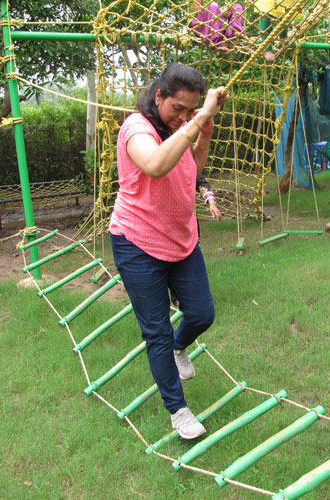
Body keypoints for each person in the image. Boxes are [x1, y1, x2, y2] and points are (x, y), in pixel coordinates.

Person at [109, 63, 228, 440]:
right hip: (137, 244)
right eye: (178, 108)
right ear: (158, 95)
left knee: (202, 313)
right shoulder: (136, 128)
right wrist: (200, 118)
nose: (184, 117)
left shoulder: (184, 125)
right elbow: (157, 165)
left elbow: (191, 170)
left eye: (191, 110)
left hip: (181, 239)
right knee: (157, 332)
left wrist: (204, 131)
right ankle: (178, 410)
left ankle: (180, 347)